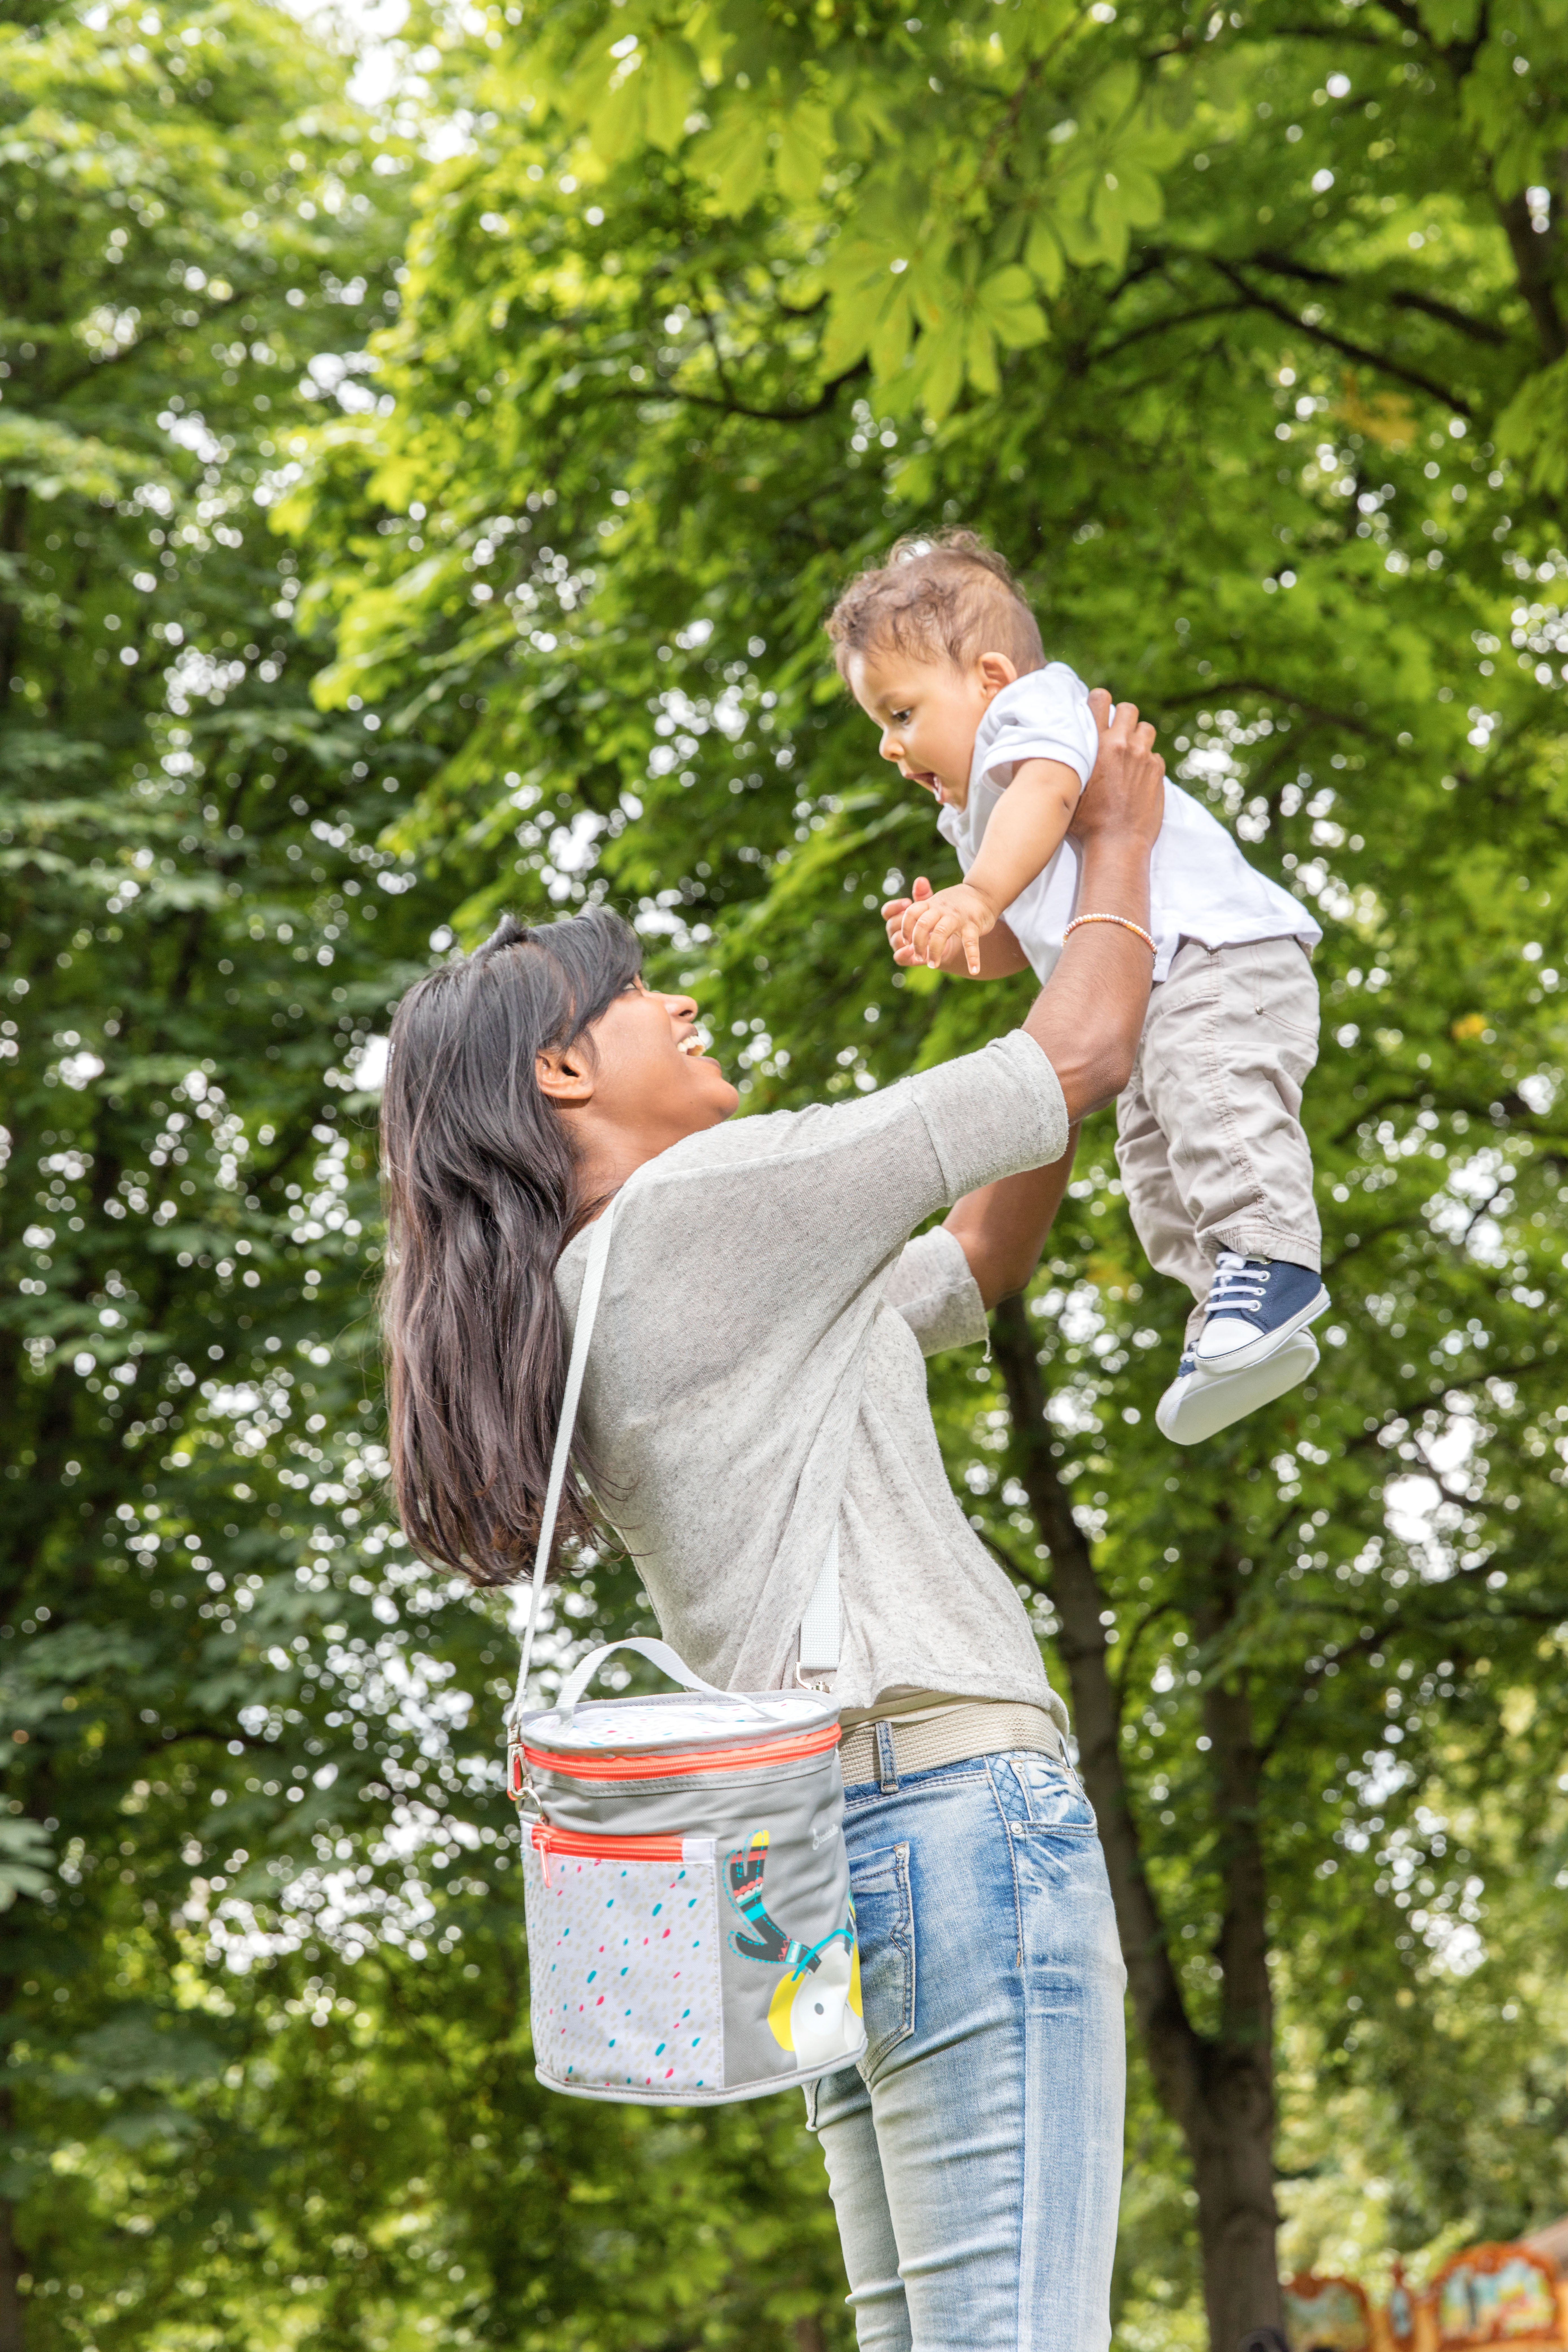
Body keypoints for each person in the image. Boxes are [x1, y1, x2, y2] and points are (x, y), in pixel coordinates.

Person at [378, 697, 1164, 2352]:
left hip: (826, 1872)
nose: (680, 998)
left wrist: (1031, 977)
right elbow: (1082, 1057)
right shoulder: (705, 1211)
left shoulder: (617, 1300)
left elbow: (972, 1264)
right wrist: (1110, 844)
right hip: (949, 1819)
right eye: (636, 992)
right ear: (569, 1069)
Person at [827, 529, 1329, 1447]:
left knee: (1214, 1106)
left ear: (987, 678)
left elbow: (1057, 796)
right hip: (1151, 1001)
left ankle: (1272, 1262)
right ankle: (1229, 1314)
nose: (890, 749)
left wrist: (979, 894)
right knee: (1152, 1171)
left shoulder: (1034, 714)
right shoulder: (976, 813)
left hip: (1214, 960)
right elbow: (1031, 944)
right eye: (879, 729)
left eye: (899, 714)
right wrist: (968, 940)